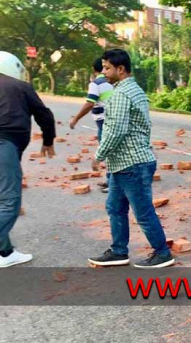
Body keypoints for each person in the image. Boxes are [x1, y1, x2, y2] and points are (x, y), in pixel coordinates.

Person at [88, 49, 173, 269]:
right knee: (115, 207)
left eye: (107, 68)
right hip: (125, 163)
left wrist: (99, 155)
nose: (104, 72)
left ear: (121, 69)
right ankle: (118, 252)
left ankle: (163, 253)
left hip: (131, 163)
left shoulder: (121, 94)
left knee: (143, 212)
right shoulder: (134, 90)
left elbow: (116, 130)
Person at [0, 51, 56, 267]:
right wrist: (48, 141)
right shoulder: (21, 87)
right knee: (9, 202)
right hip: (4, 144)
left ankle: (5, 253)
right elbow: (44, 114)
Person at [69, 58, 114, 193]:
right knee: (110, 152)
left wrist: (75, 119)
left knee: (108, 153)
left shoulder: (96, 83)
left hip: (104, 122)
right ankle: (109, 180)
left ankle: (113, 185)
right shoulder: (112, 81)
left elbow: (89, 103)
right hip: (112, 119)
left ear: (94, 70)